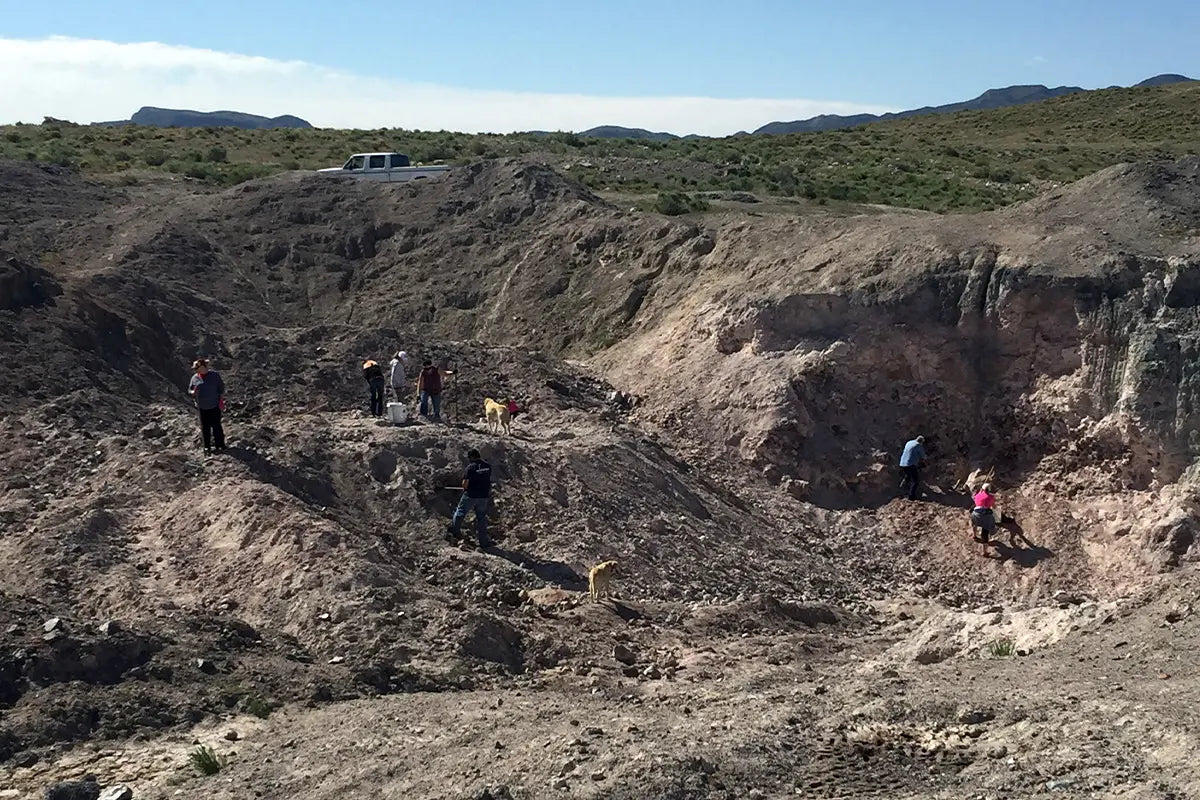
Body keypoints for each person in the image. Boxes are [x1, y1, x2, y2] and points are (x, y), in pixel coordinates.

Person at [447, 449, 493, 548]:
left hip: (471, 495)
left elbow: (464, 485)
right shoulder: (487, 466)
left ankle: (455, 534)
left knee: (460, 512)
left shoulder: (471, 467)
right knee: (481, 518)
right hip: (484, 496)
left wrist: (466, 487)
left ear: (472, 457)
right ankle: (483, 542)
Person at [187, 358, 226, 454]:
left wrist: (221, 401)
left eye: (198, 368)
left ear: (204, 367)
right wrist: (193, 392)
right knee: (205, 428)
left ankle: (220, 445)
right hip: (202, 407)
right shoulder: (195, 378)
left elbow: (221, 388)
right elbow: (190, 390)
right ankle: (207, 447)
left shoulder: (214, 376)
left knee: (217, 426)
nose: (196, 370)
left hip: (214, 405)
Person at [970, 483, 998, 554]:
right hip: (985, 516)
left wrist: (980, 492)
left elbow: (976, 498)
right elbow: (994, 507)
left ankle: (974, 536)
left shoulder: (977, 495)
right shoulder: (991, 497)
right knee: (985, 532)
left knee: (974, 524)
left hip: (975, 513)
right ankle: (985, 552)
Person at [899, 435, 927, 501]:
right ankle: (911, 497)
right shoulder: (918, 445)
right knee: (915, 481)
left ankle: (901, 489)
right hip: (911, 464)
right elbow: (923, 456)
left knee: (908, 476)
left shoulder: (909, 442)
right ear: (921, 442)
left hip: (902, 463)